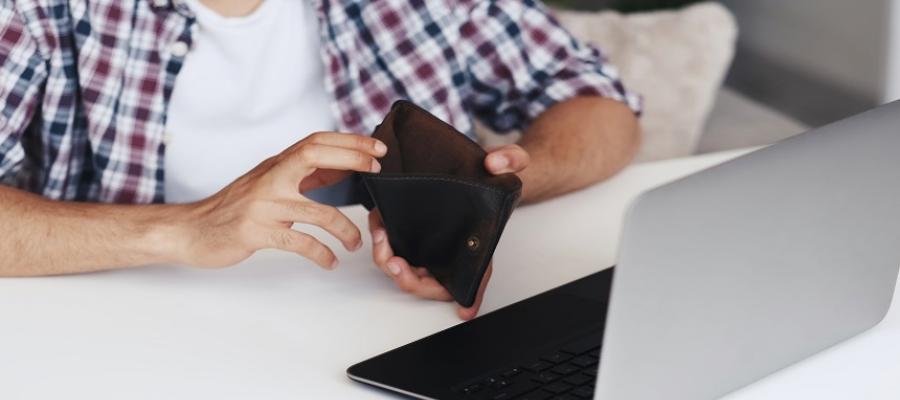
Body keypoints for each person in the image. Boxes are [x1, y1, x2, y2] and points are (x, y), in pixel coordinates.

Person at [0, 0, 641, 319]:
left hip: (388, 323)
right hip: (129, 330)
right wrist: (188, 228)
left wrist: (487, 192)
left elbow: (598, 101)